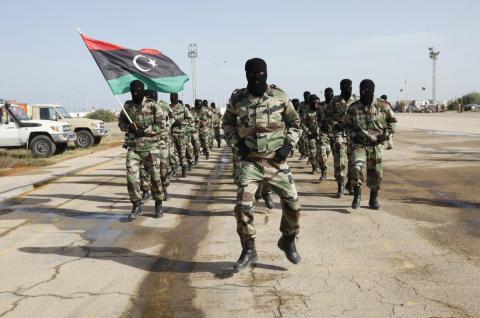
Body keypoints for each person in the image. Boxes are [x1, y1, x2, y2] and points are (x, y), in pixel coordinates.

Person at [222, 58, 302, 271]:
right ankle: (248, 248)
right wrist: (237, 144)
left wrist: (288, 145)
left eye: (260, 74)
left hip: (276, 161)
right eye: (251, 74)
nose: (256, 78)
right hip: (250, 163)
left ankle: (288, 238)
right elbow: (227, 124)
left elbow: (295, 124)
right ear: (245, 74)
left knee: (293, 204)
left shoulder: (280, 96)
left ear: (266, 74)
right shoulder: (238, 98)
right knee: (243, 207)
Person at [118, 80, 168, 219]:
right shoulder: (128, 106)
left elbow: (161, 124)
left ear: (142, 91)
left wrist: (144, 131)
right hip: (134, 148)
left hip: (151, 148)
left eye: (138, 91)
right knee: (131, 178)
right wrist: (128, 127)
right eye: (133, 91)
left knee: (155, 178)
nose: (135, 94)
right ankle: (136, 205)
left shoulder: (152, 105)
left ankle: (158, 203)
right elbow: (120, 123)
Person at [344, 79, 398, 210]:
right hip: (359, 144)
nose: (364, 92)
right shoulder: (353, 107)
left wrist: (387, 135)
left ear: (373, 91)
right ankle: (357, 195)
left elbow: (393, 122)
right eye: (362, 90)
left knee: (376, 173)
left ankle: (373, 199)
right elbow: (347, 125)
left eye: (367, 90)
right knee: (355, 168)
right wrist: (353, 135)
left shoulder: (383, 106)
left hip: (376, 145)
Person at [326, 79, 356, 198]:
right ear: (340, 88)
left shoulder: (356, 100)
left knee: (354, 161)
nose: (347, 89)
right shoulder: (334, 101)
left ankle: (351, 183)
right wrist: (334, 123)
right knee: (339, 161)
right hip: (339, 133)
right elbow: (327, 116)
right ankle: (340, 185)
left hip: (353, 134)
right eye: (344, 87)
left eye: (349, 87)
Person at [170, 93, 193, 177]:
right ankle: (174, 168)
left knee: (182, 153)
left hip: (181, 134)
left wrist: (181, 122)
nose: (172, 98)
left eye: (174, 97)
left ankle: (184, 167)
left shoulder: (183, 108)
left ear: (177, 97)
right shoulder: (168, 108)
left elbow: (191, 119)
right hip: (171, 135)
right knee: (171, 153)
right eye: (171, 97)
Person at [317, 88, 334, 180]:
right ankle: (323, 171)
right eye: (327, 94)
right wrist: (321, 125)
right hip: (324, 132)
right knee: (322, 150)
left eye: (330, 94)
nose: (329, 95)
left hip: (336, 132)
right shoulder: (320, 106)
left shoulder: (337, 104)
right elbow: (318, 118)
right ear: (324, 95)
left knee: (329, 151)